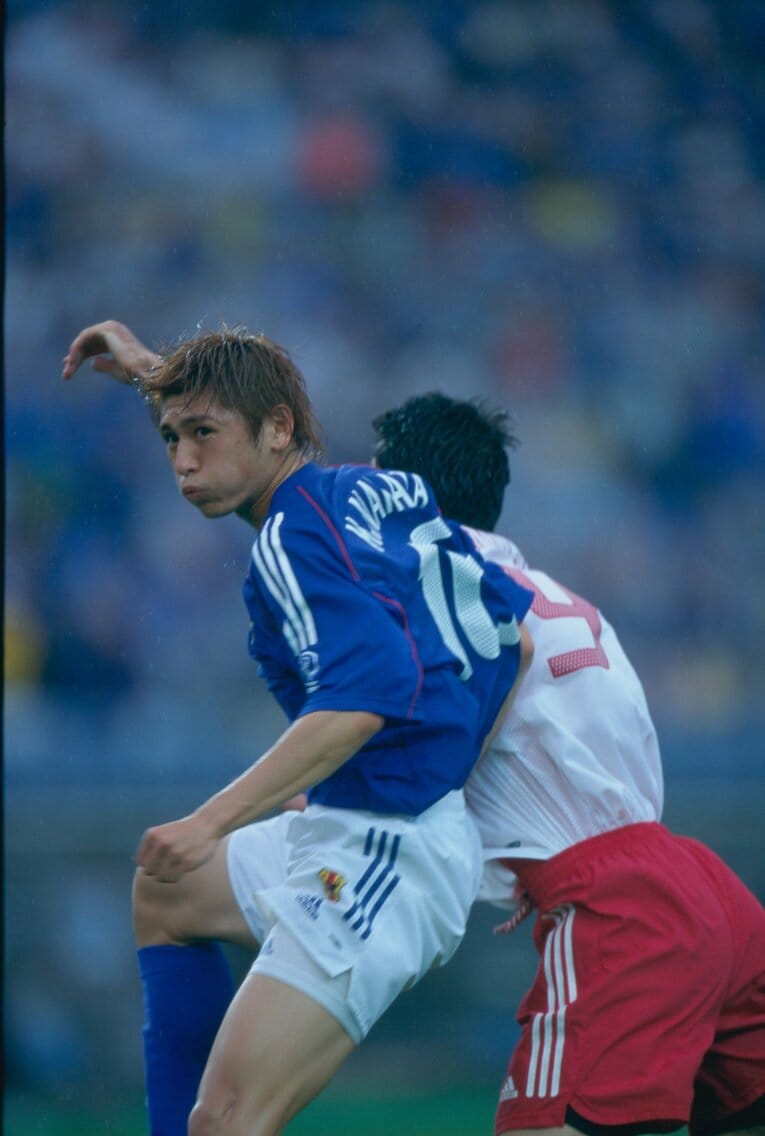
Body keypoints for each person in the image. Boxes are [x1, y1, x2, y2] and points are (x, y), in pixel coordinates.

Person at [61, 322, 534, 1136]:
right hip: (379, 821)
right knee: (169, 889)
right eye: (170, 437)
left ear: (278, 428)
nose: (180, 461)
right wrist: (153, 375)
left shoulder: (291, 532)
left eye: (201, 434)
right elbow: (513, 641)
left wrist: (210, 820)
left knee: (230, 1120)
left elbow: (370, 691)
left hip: (387, 848)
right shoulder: (368, 491)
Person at [372, 392, 765, 1136]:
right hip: (702, 886)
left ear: (401, 494)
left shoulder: (433, 587)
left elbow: (448, 722)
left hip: (621, 906)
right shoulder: (551, 591)